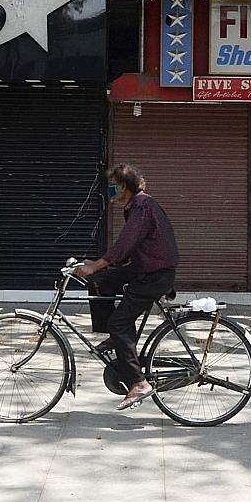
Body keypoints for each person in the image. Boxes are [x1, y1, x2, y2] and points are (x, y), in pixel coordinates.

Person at [72, 163, 179, 411]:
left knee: (119, 322)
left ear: (123, 186)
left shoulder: (142, 206)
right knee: (100, 281)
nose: (109, 190)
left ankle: (138, 383)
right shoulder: (137, 205)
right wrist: (97, 267)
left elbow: (125, 244)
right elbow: (128, 249)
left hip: (154, 276)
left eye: (112, 186)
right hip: (144, 269)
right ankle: (115, 338)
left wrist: (97, 264)